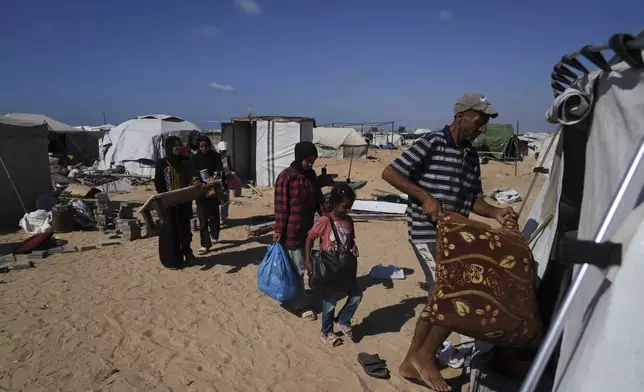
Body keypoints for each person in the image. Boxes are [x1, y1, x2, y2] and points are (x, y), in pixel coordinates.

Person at [381, 92, 519, 391]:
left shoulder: (470, 155)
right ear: (461, 117)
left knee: (438, 298)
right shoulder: (431, 142)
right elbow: (390, 172)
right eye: (479, 122)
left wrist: (496, 213)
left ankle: (412, 362)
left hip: (456, 238)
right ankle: (425, 359)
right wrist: (425, 197)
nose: (483, 129)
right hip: (426, 232)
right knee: (451, 297)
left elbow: (473, 200)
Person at [273, 141, 325, 321]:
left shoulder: (311, 176)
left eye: (313, 161)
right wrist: (279, 229)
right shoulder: (286, 177)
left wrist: (327, 219)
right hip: (290, 232)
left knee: (304, 265)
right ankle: (301, 306)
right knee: (298, 269)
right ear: (299, 157)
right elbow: (281, 206)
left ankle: (298, 295)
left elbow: (319, 200)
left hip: (307, 231)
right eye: (308, 160)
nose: (310, 164)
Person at [305, 184, 361, 347]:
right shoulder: (325, 220)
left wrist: (354, 246)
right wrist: (308, 261)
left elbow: (350, 240)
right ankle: (326, 332)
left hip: (344, 267)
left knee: (357, 295)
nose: (347, 210)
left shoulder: (349, 221)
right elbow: (309, 238)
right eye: (345, 206)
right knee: (330, 303)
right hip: (328, 267)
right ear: (335, 203)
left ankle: (343, 320)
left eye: (350, 207)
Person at [154, 136, 200, 269]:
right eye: (175, 145)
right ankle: (172, 260)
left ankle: (187, 252)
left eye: (179, 145)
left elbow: (192, 174)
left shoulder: (186, 161)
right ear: (168, 147)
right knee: (170, 231)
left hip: (184, 202)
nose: (177, 148)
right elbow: (158, 183)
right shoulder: (161, 163)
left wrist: (195, 180)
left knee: (184, 230)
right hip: (168, 204)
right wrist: (166, 197)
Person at [191, 136, 224, 255]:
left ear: (209, 146)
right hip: (200, 190)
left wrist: (215, 177)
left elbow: (220, 168)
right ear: (198, 147)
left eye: (206, 146)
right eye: (201, 146)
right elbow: (192, 172)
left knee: (214, 215)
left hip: (213, 188)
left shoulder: (215, 156)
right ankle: (205, 244)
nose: (204, 148)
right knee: (202, 217)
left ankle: (214, 235)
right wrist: (195, 179)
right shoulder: (194, 158)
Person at [216, 141, 234, 222]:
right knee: (217, 198)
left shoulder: (228, 157)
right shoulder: (216, 158)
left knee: (226, 198)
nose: (224, 152)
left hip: (226, 180)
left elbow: (230, 167)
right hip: (218, 180)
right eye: (222, 151)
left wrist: (232, 172)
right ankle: (216, 216)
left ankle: (224, 216)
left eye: (225, 151)